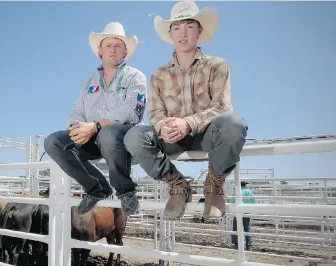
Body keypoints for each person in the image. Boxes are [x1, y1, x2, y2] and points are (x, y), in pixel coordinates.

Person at [124, 0, 248, 220]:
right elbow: (155, 113)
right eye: (177, 27)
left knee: (234, 123)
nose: (183, 33)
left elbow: (222, 106)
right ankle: (177, 185)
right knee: (134, 136)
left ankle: (214, 184)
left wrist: (188, 123)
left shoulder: (217, 65)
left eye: (190, 26)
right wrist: (162, 127)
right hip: (173, 138)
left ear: (199, 30)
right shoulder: (158, 74)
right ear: (170, 33)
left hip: (207, 135)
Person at [44, 22, 147, 217]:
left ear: (125, 53)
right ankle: (96, 187)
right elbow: (77, 110)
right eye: (108, 45)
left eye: (118, 46)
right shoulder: (89, 81)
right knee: (53, 142)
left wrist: (96, 126)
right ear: (100, 51)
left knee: (108, 133)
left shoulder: (136, 77)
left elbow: (131, 112)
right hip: (92, 137)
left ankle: (126, 191)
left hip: (122, 140)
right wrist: (77, 128)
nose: (113, 50)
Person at [229, 181, 255, 250]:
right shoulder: (249, 192)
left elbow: (231, 201)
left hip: (238, 212)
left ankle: (236, 244)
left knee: (236, 228)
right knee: (247, 229)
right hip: (247, 212)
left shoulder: (236, 192)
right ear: (245, 185)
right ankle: (248, 246)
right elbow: (253, 202)